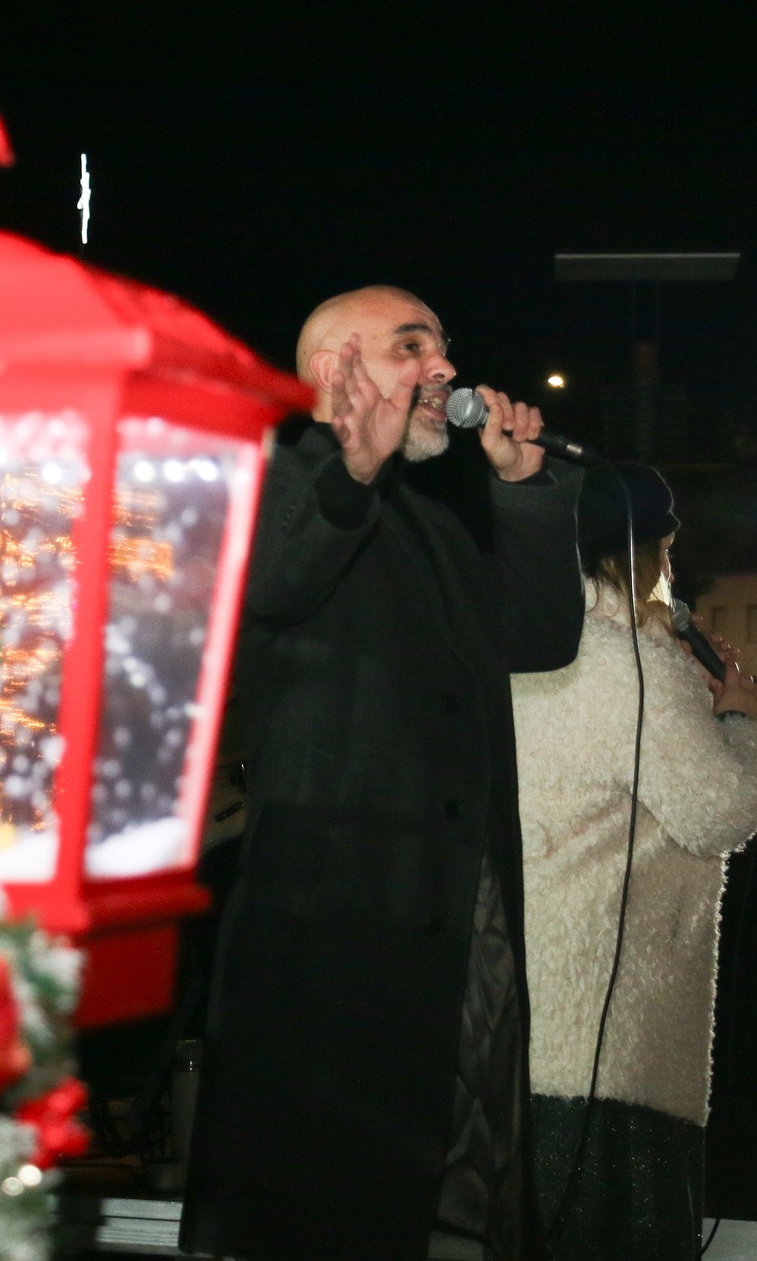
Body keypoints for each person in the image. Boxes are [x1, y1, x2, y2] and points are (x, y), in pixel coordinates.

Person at [180, 286, 585, 1261]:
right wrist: (345, 470)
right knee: (334, 1211)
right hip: (338, 952)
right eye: (414, 348)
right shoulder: (269, 479)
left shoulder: (428, 525)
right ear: (335, 374)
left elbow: (532, 636)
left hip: (458, 943)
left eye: (444, 348)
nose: (444, 369)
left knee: (456, 1207)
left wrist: (525, 493)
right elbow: (273, 579)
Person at [507, 464, 757, 1260]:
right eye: (666, 547)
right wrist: (741, 719)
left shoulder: (531, 647)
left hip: (534, 1021)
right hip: (620, 1034)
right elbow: (718, 810)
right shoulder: (636, 664)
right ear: (644, 553)